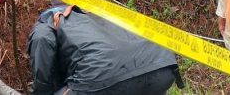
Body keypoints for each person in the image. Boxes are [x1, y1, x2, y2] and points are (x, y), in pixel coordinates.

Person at [28, 6, 183, 95]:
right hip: (162, 64)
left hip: (102, 75)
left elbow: (42, 44)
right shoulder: (94, 13)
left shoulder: (45, 25)